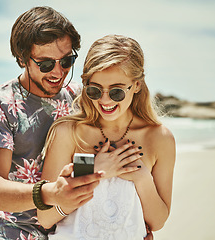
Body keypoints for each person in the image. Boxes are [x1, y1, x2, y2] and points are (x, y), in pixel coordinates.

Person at [0, 6, 104, 240]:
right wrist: (50, 193)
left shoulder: (79, 97)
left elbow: (103, 149)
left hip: (73, 230)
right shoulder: (0, 103)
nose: (58, 72)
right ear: (22, 58)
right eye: (46, 64)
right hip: (17, 232)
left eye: (67, 61)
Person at [38, 34, 175, 239]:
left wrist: (141, 177)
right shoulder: (68, 132)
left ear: (136, 85)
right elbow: (45, 217)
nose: (104, 100)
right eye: (95, 90)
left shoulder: (159, 138)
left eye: (116, 92)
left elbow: (158, 221)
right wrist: (93, 169)